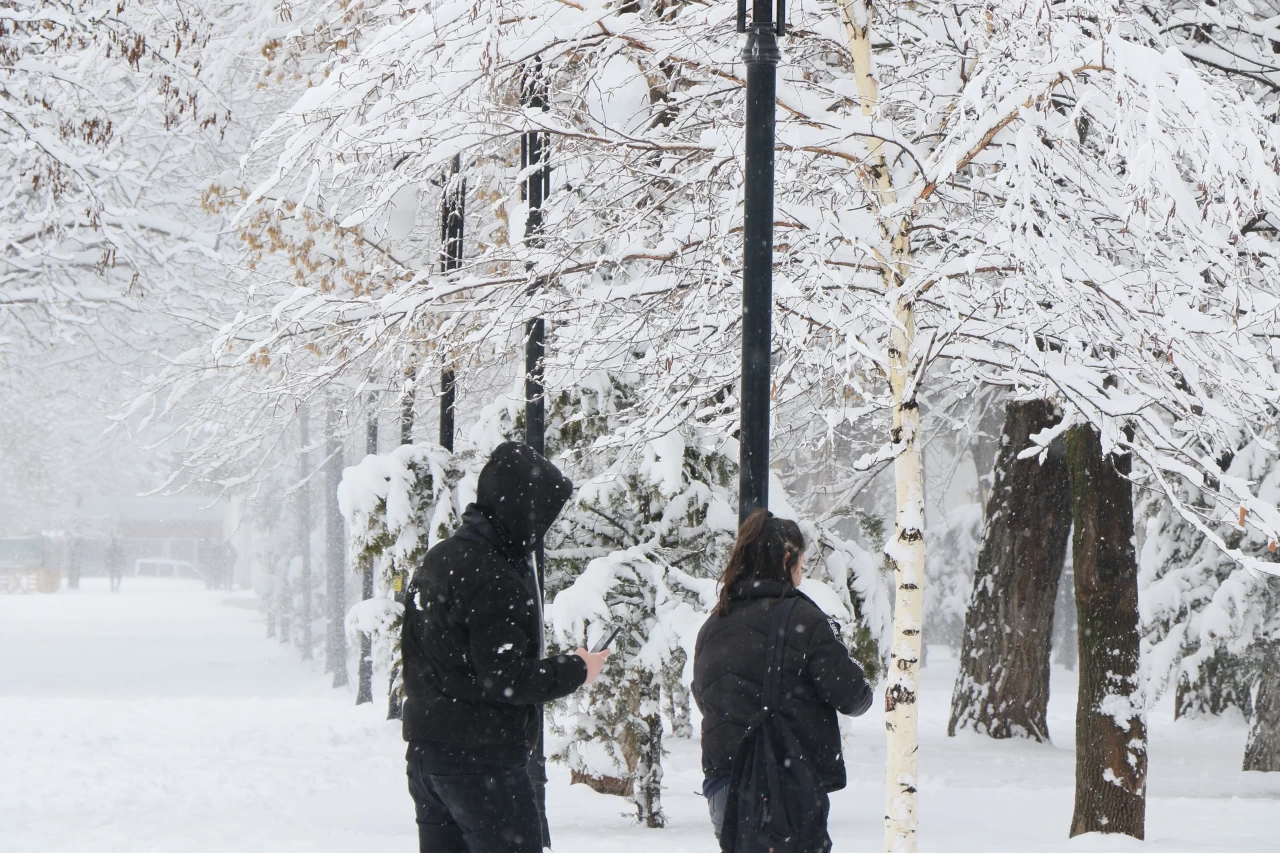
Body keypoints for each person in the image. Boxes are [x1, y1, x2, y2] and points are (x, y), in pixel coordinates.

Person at [400, 441, 611, 853]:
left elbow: (418, 657)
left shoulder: (438, 560)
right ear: (520, 509)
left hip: (428, 759)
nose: (542, 528)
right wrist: (577, 668)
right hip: (482, 763)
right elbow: (506, 679)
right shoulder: (493, 575)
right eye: (541, 515)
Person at [692, 510, 874, 851]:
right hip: (783, 787)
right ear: (788, 558)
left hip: (724, 787)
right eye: (801, 566)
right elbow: (852, 696)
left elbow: (705, 697)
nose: (801, 578)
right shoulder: (804, 619)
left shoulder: (713, 625)